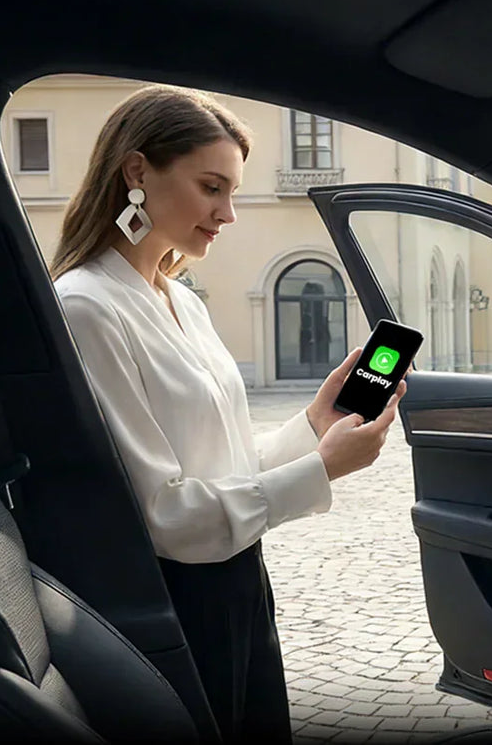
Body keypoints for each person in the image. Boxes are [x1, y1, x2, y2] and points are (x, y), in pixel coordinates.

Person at [50, 84, 404, 743]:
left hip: (241, 580)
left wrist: (314, 428)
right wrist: (321, 471)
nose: (229, 214)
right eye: (212, 188)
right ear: (136, 172)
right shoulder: (87, 307)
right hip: (181, 604)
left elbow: (226, 465)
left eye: (234, 192)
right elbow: (167, 517)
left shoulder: (183, 302)